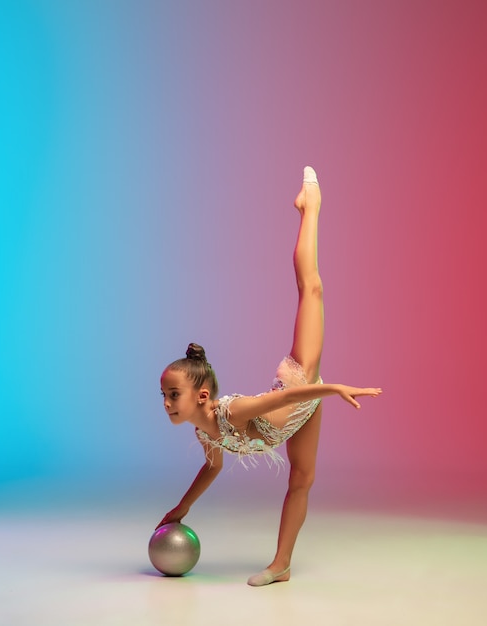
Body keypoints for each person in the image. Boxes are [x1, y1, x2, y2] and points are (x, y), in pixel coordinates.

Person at [157, 166, 382, 586]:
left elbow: (282, 400)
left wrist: (331, 388)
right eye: (164, 396)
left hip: (302, 385)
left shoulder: (232, 412)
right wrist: (181, 509)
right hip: (303, 412)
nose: (167, 404)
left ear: (203, 396)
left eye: (174, 395)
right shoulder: (205, 430)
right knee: (302, 479)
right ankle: (282, 565)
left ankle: (310, 206)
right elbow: (212, 467)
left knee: (310, 288)